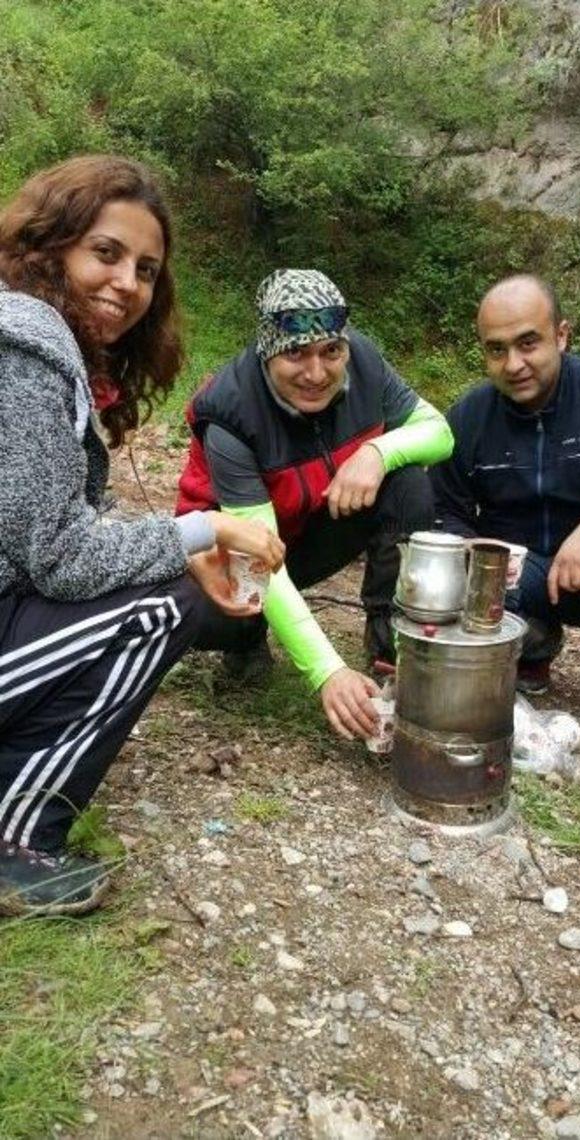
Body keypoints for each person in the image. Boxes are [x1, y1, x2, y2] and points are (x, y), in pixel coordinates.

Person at [0, 155, 284, 916]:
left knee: (165, 579)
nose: (128, 283)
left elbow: (45, 533)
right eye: (106, 253)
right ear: (49, 245)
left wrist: (181, 546)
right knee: (163, 607)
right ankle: (15, 839)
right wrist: (201, 530)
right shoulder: (24, 343)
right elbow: (59, 557)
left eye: (147, 269)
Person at [176, 268, 454, 740]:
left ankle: (389, 648)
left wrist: (377, 452)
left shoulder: (364, 364)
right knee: (216, 613)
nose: (317, 372)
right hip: (228, 558)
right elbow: (257, 556)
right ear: (267, 351)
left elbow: (439, 432)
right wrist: (327, 672)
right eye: (294, 353)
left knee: (407, 483)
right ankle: (244, 643)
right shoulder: (231, 412)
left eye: (331, 351)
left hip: (309, 529)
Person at [431, 274, 580, 744]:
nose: (514, 364)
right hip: (520, 570)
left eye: (529, 343)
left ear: (561, 335)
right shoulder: (469, 417)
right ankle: (530, 648)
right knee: (476, 567)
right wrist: (473, 549)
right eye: (497, 349)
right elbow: (444, 507)